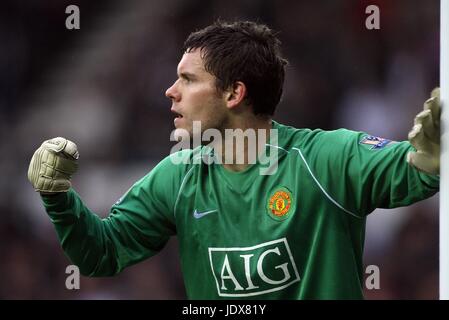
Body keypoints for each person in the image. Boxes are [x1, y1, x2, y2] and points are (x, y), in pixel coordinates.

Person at [27, 20, 440, 299]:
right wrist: (58, 197)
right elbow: (100, 253)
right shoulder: (178, 177)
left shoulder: (325, 159)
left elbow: (418, 170)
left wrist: (434, 153)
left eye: (188, 80)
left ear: (233, 94)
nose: (170, 91)